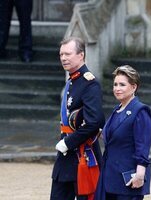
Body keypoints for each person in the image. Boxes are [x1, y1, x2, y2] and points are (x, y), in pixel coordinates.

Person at [50, 37, 105, 200]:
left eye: (68, 54)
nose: (63, 58)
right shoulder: (73, 80)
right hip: (66, 157)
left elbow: (95, 122)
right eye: (61, 54)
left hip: (83, 155)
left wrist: (68, 142)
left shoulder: (89, 84)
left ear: (81, 55)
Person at [94, 65, 151, 200]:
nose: (117, 88)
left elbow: (143, 144)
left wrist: (140, 174)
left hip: (128, 178)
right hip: (109, 176)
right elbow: (115, 136)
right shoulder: (117, 109)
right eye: (115, 84)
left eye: (122, 85)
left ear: (133, 87)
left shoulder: (140, 111)